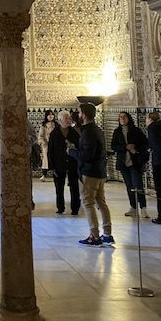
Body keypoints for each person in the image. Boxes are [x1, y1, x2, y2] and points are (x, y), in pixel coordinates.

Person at [69, 102, 114, 247]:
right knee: (101, 202)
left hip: (90, 173)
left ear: (84, 115)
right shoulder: (97, 129)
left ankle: (94, 236)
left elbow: (86, 156)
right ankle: (107, 234)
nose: (78, 115)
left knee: (88, 203)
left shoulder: (88, 132)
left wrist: (71, 151)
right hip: (99, 172)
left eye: (79, 112)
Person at [112, 111, 150, 219]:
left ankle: (143, 208)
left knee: (138, 185)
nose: (122, 119)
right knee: (129, 186)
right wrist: (125, 147)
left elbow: (145, 143)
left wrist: (135, 148)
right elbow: (114, 146)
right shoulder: (117, 132)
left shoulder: (136, 131)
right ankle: (133, 207)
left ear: (128, 118)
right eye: (120, 117)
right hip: (124, 163)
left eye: (124, 117)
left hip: (135, 162)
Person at [48, 110, 80, 215]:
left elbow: (79, 147)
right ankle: (60, 207)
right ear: (60, 120)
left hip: (72, 163)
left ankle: (75, 208)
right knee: (59, 187)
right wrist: (52, 167)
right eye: (66, 118)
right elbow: (50, 151)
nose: (69, 120)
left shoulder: (74, 133)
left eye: (69, 118)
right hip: (59, 164)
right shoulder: (54, 133)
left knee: (74, 187)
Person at [38, 110, 56, 180]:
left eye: (52, 114)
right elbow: (40, 136)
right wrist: (43, 142)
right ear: (46, 116)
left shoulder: (56, 125)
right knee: (45, 160)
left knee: (54, 159)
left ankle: (55, 174)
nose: (51, 116)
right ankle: (44, 175)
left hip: (55, 145)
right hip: (46, 145)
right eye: (49, 115)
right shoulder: (43, 126)